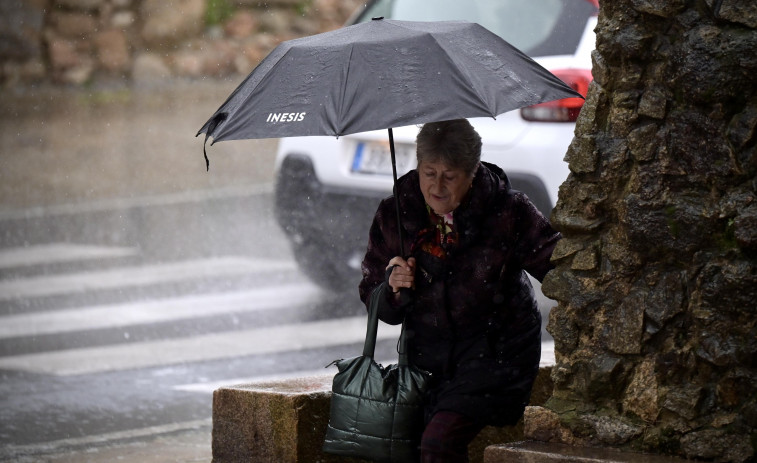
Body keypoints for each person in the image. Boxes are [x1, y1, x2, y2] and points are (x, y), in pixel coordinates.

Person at [359, 119, 561, 462]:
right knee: (405, 448)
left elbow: (558, 267)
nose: (437, 186)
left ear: (472, 173)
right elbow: (374, 296)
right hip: (427, 360)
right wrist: (393, 285)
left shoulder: (507, 211)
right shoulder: (396, 213)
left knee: (439, 443)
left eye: (449, 176)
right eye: (428, 173)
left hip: (496, 356)